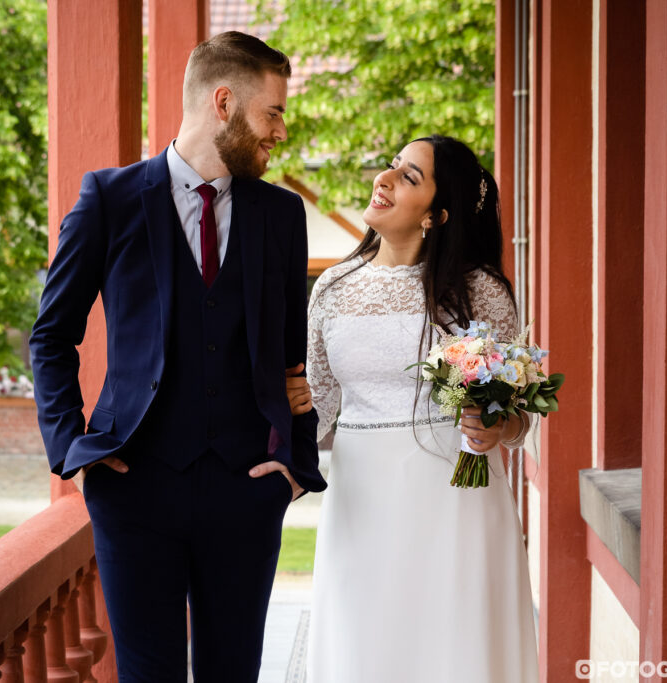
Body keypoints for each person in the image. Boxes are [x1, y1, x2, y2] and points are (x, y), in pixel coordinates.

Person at [29, 31, 326, 683]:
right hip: (134, 486)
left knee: (234, 672)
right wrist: (73, 447)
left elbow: (291, 353)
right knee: (147, 674)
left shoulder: (280, 214)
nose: (280, 132)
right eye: (272, 112)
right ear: (223, 102)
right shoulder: (109, 199)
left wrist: (293, 463)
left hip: (247, 488)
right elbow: (52, 334)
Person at [304, 135, 539, 682]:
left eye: (409, 177)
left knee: (455, 647)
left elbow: (518, 416)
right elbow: (316, 413)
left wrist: (494, 424)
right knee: (366, 645)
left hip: (458, 501)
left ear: (437, 215)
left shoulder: (480, 292)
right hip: (361, 505)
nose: (384, 180)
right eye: (392, 166)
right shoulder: (332, 288)